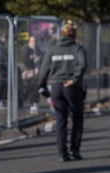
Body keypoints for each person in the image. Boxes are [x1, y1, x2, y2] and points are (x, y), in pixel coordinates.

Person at [37, 21, 87, 162]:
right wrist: (74, 79)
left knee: (60, 119)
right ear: (73, 34)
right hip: (71, 87)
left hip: (56, 87)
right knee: (77, 117)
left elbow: (43, 70)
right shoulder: (77, 49)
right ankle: (75, 149)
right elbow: (83, 65)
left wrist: (42, 86)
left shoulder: (53, 49)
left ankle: (62, 153)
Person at [22, 36, 40, 114]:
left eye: (35, 41)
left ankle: (35, 103)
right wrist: (30, 70)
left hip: (36, 72)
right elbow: (25, 60)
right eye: (32, 41)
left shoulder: (37, 49)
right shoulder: (27, 50)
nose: (34, 43)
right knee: (30, 88)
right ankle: (32, 104)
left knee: (36, 88)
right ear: (29, 41)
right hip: (30, 72)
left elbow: (40, 58)